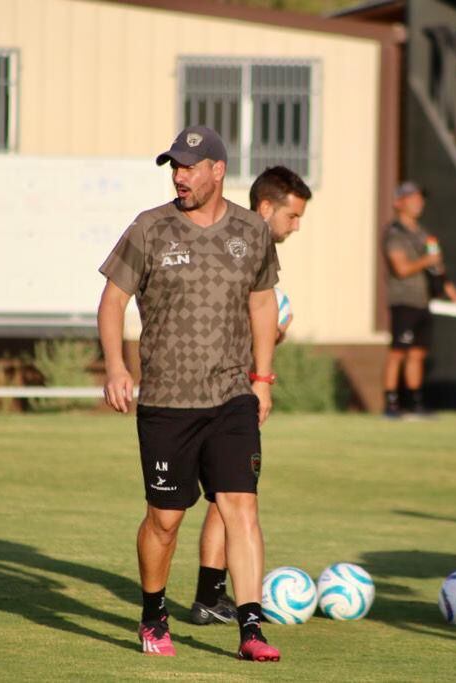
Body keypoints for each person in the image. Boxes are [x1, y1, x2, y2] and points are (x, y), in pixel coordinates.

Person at [97, 125, 281, 661]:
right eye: (174, 166)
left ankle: (251, 627)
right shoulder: (150, 228)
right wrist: (115, 367)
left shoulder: (252, 230)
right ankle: (153, 614)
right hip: (167, 403)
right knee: (166, 518)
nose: (180, 176)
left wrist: (262, 379)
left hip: (231, 396)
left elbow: (263, 303)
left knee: (241, 507)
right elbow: (112, 303)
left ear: (217, 171)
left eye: (189, 166)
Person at [188, 165, 312, 627]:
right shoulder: (235, 244)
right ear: (266, 208)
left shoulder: (249, 245)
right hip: (220, 391)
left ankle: (209, 596)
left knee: (229, 494)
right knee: (230, 496)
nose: (295, 226)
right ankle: (213, 600)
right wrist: (265, 349)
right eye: (293, 216)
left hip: (233, 387)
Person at [382, 181, 456, 419]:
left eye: (420, 198)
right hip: (404, 300)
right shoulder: (395, 233)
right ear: (398, 203)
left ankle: (415, 402)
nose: (418, 203)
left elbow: (438, 272)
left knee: (418, 353)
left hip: (424, 301)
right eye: (412, 198)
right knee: (399, 352)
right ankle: (391, 403)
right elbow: (401, 268)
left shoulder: (423, 234)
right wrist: (426, 261)